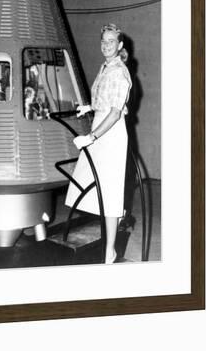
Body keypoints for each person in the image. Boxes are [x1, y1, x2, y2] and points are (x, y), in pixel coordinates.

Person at [65, 23, 132, 264]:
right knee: (95, 189)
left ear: (120, 45)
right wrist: (89, 107)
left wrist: (92, 137)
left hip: (110, 134)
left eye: (111, 41)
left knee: (110, 194)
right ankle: (109, 239)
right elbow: (104, 101)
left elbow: (115, 114)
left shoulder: (119, 72)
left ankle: (110, 251)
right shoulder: (105, 67)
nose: (106, 45)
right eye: (103, 41)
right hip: (100, 127)